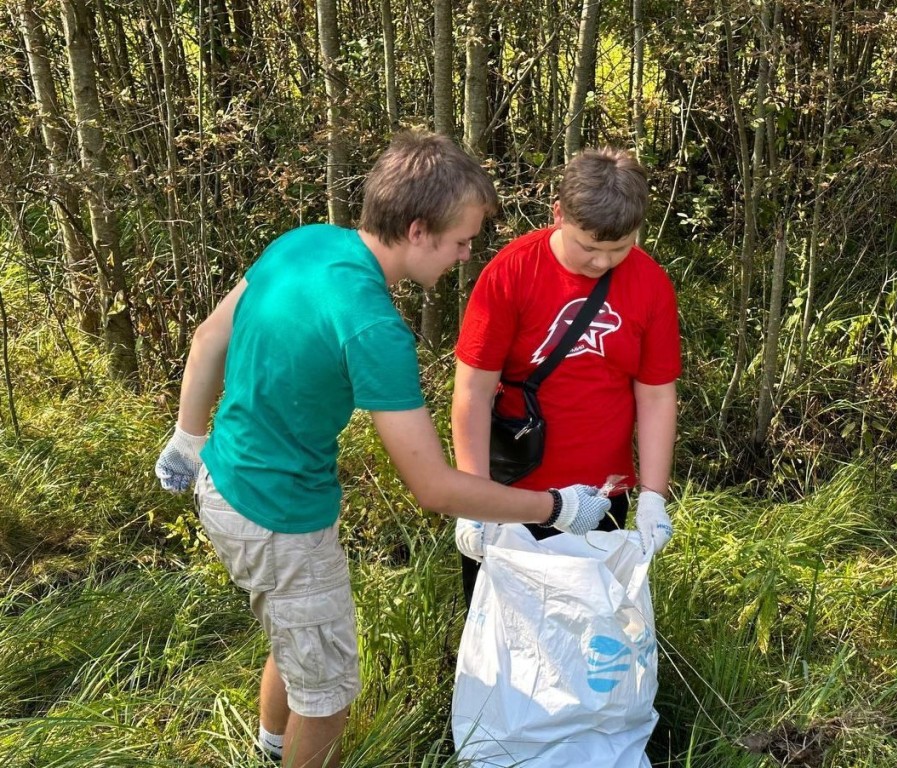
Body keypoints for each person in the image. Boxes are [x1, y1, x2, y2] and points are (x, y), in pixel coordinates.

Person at [154, 130, 611, 768]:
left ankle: (270, 750)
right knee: (329, 694)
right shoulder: (374, 328)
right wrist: (554, 507)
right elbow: (433, 487)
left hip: (223, 484)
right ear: (419, 230)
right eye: (460, 241)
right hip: (280, 518)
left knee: (296, 639)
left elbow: (207, 340)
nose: (465, 256)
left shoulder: (304, 243)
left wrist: (187, 439)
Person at [452, 146, 681, 607]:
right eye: (589, 247)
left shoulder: (650, 284)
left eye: (619, 248)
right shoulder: (512, 273)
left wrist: (654, 496)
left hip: (601, 497)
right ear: (558, 214)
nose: (602, 263)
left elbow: (656, 396)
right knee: (503, 641)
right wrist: (471, 500)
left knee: (589, 647)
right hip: (508, 496)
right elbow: (473, 392)